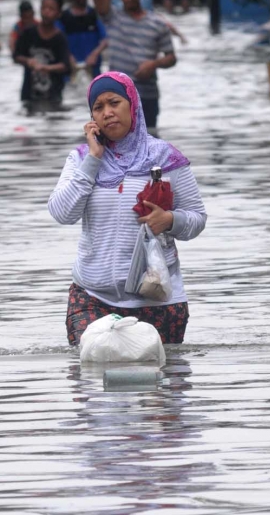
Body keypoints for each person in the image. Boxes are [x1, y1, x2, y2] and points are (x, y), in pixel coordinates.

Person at [48, 71, 207, 346]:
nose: (107, 113)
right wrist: (94, 160)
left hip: (157, 296)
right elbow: (62, 213)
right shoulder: (81, 159)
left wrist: (169, 220)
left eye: (114, 103)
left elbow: (197, 218)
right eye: (98, 108)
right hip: (92, 297)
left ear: (133, 105)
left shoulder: (166, 158)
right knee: (91, 381)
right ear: (92, 118)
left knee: (159, 384)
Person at [89, 0, 176, 130]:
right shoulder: (112, 17)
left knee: (148, 143)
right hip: (117, 96)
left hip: (147, 94)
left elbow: (171, 58)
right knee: (119, 146)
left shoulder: (157, 24)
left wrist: (153, 64)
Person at [14, 0, 71, 107]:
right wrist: (28, 61)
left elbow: (65, 66)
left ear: (58, 13)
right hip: (29, 94)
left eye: (51, 9)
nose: (46, 12)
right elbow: (16, 56)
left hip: (53, 95)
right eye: (44, 8)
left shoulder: (60, 38)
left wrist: (46, 68)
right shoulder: (28, 33)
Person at [59, 0, 108, 79]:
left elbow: (106, 39)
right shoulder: (63, 17)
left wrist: (95, 54)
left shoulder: (94, 15)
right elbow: (57, 40)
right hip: (70, 72)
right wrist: (68, 56)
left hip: (93, 71)